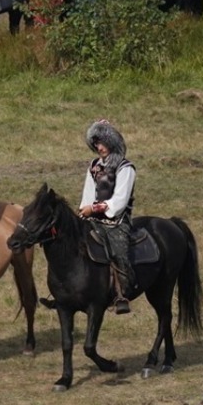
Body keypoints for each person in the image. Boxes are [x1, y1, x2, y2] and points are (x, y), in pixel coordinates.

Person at [80, 119, 137, 314]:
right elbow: (88, 192)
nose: (100, 148)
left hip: (117, 221)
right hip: (92, 218)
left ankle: (122, 293)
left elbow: (120, 201)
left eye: (102, 143)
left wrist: (94, 209)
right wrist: (84, 211)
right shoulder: (94, 165)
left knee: (117, 250)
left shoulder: (125, 168)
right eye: (96, 144)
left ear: (111, 142)